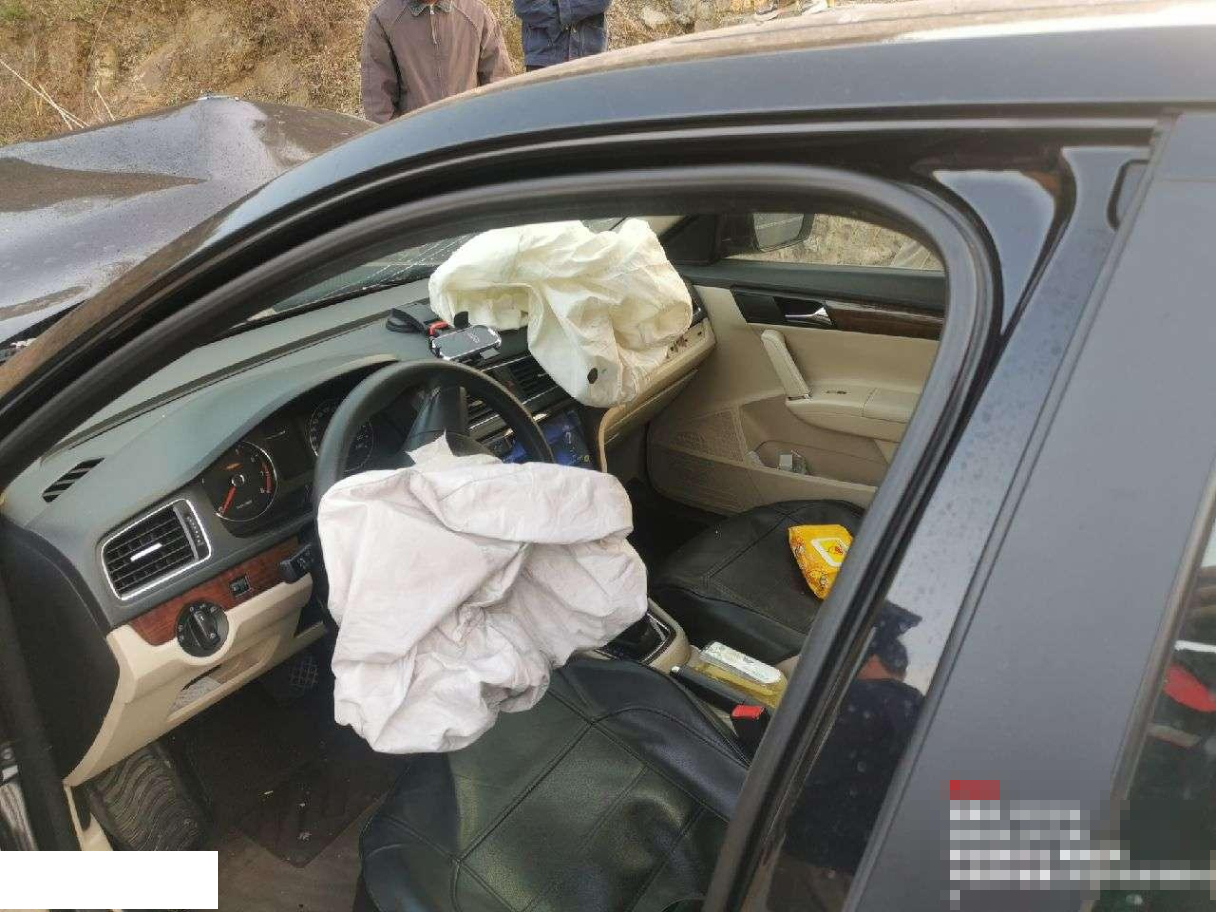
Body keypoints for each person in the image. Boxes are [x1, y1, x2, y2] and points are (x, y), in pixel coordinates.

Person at [361, 0, 513, 123]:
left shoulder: (477, 13)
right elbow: (378, 104)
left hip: (470, 140)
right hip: (415, 144)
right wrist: (399, 144)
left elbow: (498, 85)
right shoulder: (383, 19)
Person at [514, 0, 612, 71]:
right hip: (542, 59)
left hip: (589, 59)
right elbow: (524, 5)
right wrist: (561, 16)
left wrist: (560, 12)